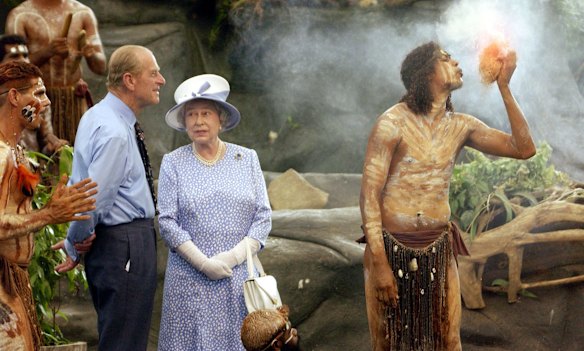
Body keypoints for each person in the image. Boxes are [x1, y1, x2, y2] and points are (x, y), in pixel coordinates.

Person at [359, 41, 536, 350]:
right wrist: (380, 262)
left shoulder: (461, 126)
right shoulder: (391, 123)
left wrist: (504, 88)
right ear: (425, 72)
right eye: (446, 59)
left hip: (439, 249)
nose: (456, 63)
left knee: (449, 340)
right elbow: (369, 195)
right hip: (390, 248)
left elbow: (524, 149)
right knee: (386, 343)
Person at [52, 45, 165, 351]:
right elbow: (92, 199)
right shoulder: (115, 130)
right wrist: (76, 242)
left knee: (117, 336)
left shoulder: (95, 115)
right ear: (129, 80)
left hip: (114, 243)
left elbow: (83, 187)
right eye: (153, 73)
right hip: (125, 244)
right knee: (125, 343)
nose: (161, 80)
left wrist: (78, 236)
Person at [157, 74, 272, 350]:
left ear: (220, 119)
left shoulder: (247, 158)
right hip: (190, 279)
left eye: (205, 113)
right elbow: (167, 221)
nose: (198, 121)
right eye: (191, 115)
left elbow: (263, 217)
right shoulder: (173, 163)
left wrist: (232, 258)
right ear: (184, 122)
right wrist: (203, 263)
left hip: (239, 279)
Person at [0, 60, 97, 351]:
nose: (47, 101)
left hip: (14, 281)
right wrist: (49, 214)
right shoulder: (1, 155)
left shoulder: (17, 152)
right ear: (15, 97)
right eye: (39, 94)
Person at [5, 0, 107, 144]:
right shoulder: (20, 15)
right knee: (39, 161)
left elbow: (101, 67)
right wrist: (47, 52)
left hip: (75, 103)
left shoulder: (83, 13)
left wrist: (91, 54)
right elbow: (11, 71)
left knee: (78, 156)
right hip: (36, 102)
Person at [0, 34, 68, 155]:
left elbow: (45, 141)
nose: (24, 61)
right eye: (15, 56)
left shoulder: (37, 98)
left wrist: (52, 147)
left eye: (25, 55)